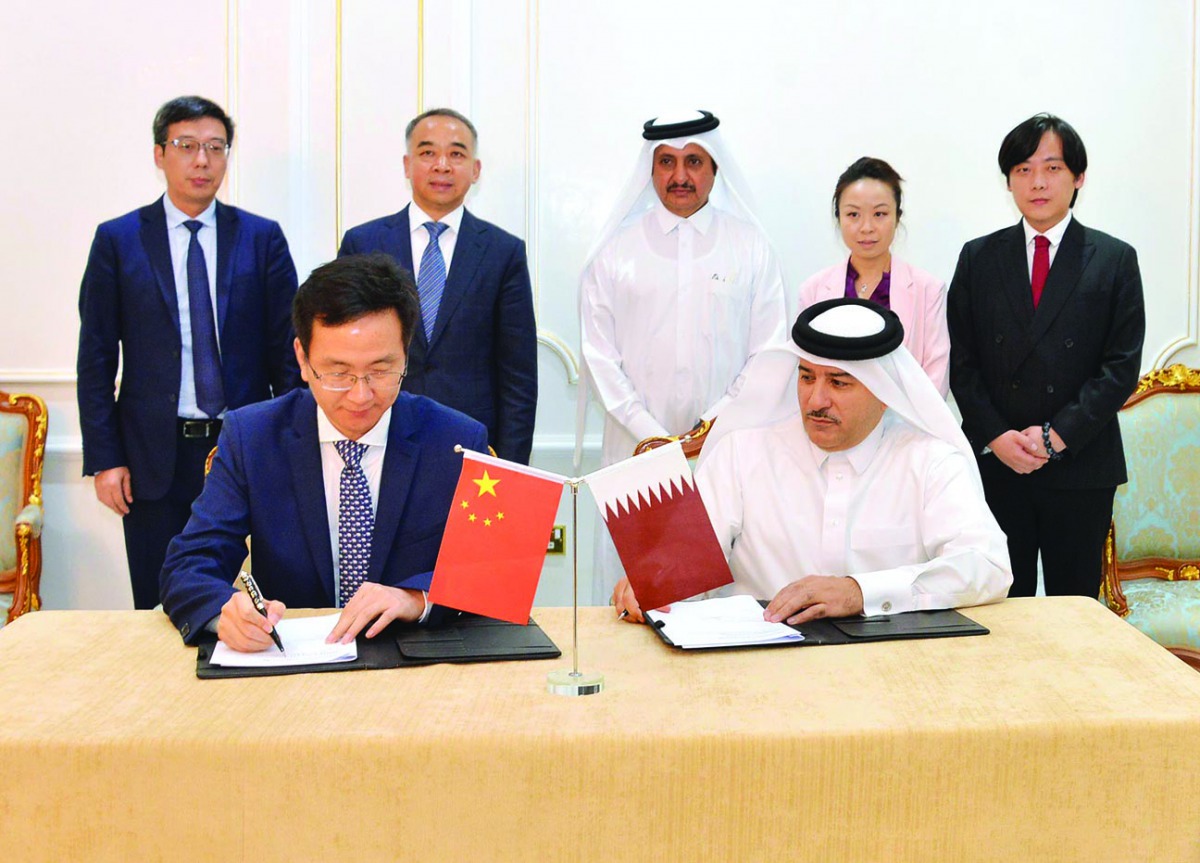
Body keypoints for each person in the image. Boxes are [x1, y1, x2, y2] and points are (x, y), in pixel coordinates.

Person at [613, 298, 1012, 625]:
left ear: (883, 391)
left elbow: (987, 567)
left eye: (838, 383)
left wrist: (859, 592)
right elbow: (683, 559)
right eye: (806, 378)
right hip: (759, 672)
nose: (816, 400)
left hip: (887, 675)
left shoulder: (930, 461)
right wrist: (654, 579)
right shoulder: (743, 451)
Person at [160, 254, 488, 650]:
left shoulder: (454, 440)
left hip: (411, 664)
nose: (360, 394)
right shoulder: (253, 437)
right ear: (302, 358)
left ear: (406, 353)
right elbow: (189, 564)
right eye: (337, 373)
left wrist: (414, 598)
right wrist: (224, 612)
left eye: (381, 370)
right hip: (290, 664)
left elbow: (488, 569)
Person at [77, 95, 302, 610]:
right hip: (154, 453)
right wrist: (106, 459)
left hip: (243, 443)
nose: (202, 160)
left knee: (258, 595)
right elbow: (95, 359)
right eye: (187, 146)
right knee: (159, 601)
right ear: (160, 154)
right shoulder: (118, 240)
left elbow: (288, 352)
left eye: (215, 147)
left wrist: (289, 438)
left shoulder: (262, 238)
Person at [579, 109, 788, 600]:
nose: (679, 176)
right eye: (666, 162)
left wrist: (705, 430)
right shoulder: (614, 251)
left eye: (693, 161)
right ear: (649, 171)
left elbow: (768, 353)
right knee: (634, 594)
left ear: (715, 168)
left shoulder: (752, 248)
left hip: (726, 448)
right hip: (635, 454)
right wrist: (655, 437)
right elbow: (598, 356)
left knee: (721, 596)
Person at [947, 113, 1145, 598]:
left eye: (1053, 168)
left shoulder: (1114, 259)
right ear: (1009, 181)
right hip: (999, 465)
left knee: (1074, 610)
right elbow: (963, 363)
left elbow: (1119, 370)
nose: (1037, 182)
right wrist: (996, 436)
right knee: (997, 609)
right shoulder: (978, 257)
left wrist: (1056, 437)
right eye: (1023, 169)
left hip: (1080, 467)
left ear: (1078, 178)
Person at [338, 108, 537, 464]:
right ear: (407, 165)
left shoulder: (503, 252)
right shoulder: (363, 243)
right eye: (428, 153)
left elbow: (518, 377)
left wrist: (511, 467)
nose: (442, 165)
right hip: (376, 437)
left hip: (472, 445)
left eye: (457, 154)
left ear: (475, 170)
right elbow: (339, 348)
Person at [797, 157, 949, 395]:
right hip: (833, 420)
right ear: (838, 217)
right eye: (853, 215)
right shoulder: (813, 290)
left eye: (879, 214)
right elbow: (804, 370)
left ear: (897, 217)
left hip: (907, 426)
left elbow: (935, 378)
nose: (866, 227)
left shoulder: (928, 289)